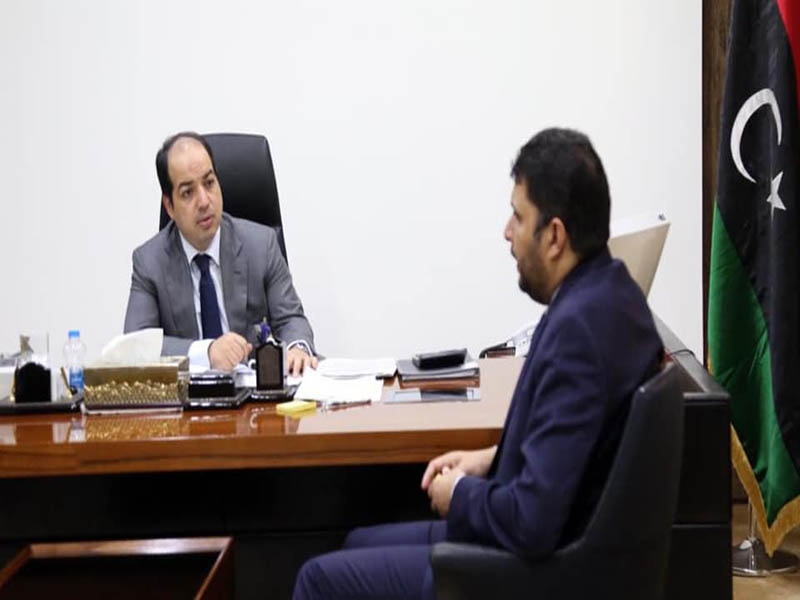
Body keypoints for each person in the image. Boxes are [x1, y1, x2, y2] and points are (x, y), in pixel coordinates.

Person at [292, 128, 664, 599]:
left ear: (554, 236)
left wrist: (460, 494)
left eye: (518, 216)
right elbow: (574, 451)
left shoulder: (578, 335)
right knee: (356, 544)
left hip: (532, 576)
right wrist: (491, 460)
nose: (507, 232)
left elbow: (532, 521)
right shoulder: (615, 294)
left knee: (318, 581)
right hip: (560, 549)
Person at [123, 132, 317, 374]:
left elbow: (291, 320)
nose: (204, 201)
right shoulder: (149, 262)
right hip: (190, 396)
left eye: (209, 183)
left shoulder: (261, 244)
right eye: (188, 192)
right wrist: (206, 353)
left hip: (255, 391)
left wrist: (298, 348)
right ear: (170, 206)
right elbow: (136, 346)